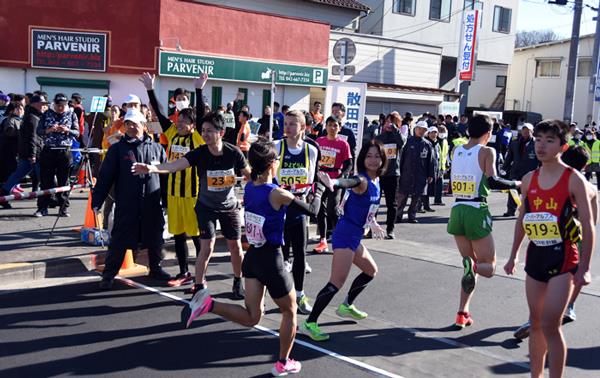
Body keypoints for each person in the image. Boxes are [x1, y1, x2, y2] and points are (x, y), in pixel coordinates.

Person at [182, 141, 323, 376]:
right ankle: (283, 362)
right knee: (290, 312)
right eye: (277, 160)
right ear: (271, 164)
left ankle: (209, 304)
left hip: (253, 259)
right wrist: (320, 189)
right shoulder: (278, 194)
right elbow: (313, 211)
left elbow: (271, 192)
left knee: (252, 317)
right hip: (273, 261)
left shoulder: (249, 187)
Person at [503, 120, 595, 378]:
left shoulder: (573, 179)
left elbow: (588, 226)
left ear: (563, 146)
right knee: (536, 324)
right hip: (536, 256)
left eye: (549, 140)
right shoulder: (529, 178)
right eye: (538, 139)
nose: (541, 145)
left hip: (564, 257)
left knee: (550, 324)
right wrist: (513, 256)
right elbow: (523, 218)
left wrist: (585, 269)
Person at [132, 111, 250, 300]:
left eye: (210, 131)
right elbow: (175, 165)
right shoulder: (199, 153)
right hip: (205, 207)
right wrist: (152, 168)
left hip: (230, 207)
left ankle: (238, 281)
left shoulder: (233, 152)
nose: (205, 134)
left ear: (221, 132)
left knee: (235, 246)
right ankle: (199, 284)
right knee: (206, 247)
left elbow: (250, 175)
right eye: (203, 130)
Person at [299, 140, 387, 341]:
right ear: (362, 159)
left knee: (371, 271)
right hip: (346, 234)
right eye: (369, 156)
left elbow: (367, 209)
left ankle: (346, 305)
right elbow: (351, 182)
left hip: (355, 234)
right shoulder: (363, 180)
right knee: (336, 282)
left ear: (383, 159)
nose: (373, 160)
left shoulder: (376, 181)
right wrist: (335, 182)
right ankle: (309, 323)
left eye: (377, 156)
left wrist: (373, 223)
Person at [511, 145, 598, 340]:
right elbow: (592, 223)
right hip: (577, 239)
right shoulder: (588, 186)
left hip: (551, 242)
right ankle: (569, 306)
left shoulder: (561, 180)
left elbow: (525, 216)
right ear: (584, 167)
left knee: (544, 286)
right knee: (574, 278)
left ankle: (539, 319)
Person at [447, 114, 520, 328]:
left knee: (469, 267)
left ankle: (462, 312)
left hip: (457, 209)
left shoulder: (456, 149)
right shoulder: (487, 151)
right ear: (489, 133)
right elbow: (493, 180)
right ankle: (472, 269)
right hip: (476, 210)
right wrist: (517, 184)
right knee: (488, 267)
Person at [141, 71, 208, 288]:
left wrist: (199, 89)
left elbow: (199, 112)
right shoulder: (172, 135)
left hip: (192, 194)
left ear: (193, 124)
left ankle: (201, 275)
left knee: (197, 237)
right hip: (173, 193)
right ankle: (184, 272)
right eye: (179, 120)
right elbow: (161, 114)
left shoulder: (197, 137)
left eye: (185, 121)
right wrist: (150, 89)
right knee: (178, 234)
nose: (179, 123)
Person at [93, 109, 170, 289]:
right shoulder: (117, 149)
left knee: (155, 237)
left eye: (135, 123)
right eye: (128, 124)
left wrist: (167, 201)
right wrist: (97, 200)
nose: (131, 127)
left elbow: (166, 177)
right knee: (119, 239)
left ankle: (156, 268)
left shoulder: (157, 148)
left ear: (144, 125)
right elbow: (105, 177)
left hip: (152, 202)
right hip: (127, 203)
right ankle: (109, 274)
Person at [273, 110, 321, 315]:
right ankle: (275, 296)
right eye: (286, 123)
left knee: (300, 255)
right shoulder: (276, 147)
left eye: (293, 124)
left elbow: (312, 179)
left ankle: (300, 295)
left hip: (299, 208)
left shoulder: (311, 150)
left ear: (303, 127)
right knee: (276, 255)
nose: (288, 127)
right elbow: (270, 177)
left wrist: (311, 195)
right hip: (279, 208)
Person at [35, 94, 80, 217]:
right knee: (45, 180)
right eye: (58, 105)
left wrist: (67, 130)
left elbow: (77, 133)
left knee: (64, 181)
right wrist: (49, 130)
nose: (60, 108)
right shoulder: (47, 113)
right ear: (54, 104)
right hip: (49, 150)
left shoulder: (72, 114)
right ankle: (42, 207)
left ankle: (63, 208)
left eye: (63, 105)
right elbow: (38, 131)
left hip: (64, 151)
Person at [314, 116, 352, 253]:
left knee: (333, 210)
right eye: (329, 125)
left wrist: (342, 178)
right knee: (319, 209)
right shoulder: (319, 141)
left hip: (335, 179)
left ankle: (338, 239)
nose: (332, 128)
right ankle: (323, 240)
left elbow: (349, 164)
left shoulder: (343, 144)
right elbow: (313, 160)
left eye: (335, 125)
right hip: (320, 177)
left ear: (339, 128)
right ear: (326, 127)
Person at [0, 96, 47, 206]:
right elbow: (32, 138)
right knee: (44, 176)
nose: (44, 106)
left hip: (27, 152)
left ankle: (4, 194)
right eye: (42, 104)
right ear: (34, 104)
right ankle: (49, 198)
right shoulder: (32, 118)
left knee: (18, 174)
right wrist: (33, 154)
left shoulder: (31, 116)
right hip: (32, 153)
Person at [396, 121, 433, 224]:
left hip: (420, 175)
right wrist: (399, 172)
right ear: (415, 129)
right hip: (406, 174)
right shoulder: (407, 142)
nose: (421, 131)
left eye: (424, 130)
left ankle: (412, 216)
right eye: (419, 129)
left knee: (416, 198)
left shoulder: (427, 144)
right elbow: (401, 159)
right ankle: (398, 215)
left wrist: (430, 174)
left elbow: (431, 161)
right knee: (402, 196)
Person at [375, 113, 406, 238]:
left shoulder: (397, 137)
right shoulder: (379, 138)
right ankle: (372, 227)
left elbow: (402, 142)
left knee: (391, 204)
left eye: (392, 122)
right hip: (379, 174)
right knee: (374, 202)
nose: (389, 124)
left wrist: (395, 129)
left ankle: (390, 229)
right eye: (387, 122)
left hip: (393, 174)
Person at [502, 123, 538, 217]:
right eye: (524, 130)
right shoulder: (514, 142)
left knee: (530, 194)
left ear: (532, 131)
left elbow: (541, 159)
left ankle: (529, 212)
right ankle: (510, 211)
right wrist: (504, 168)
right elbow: (509, 157)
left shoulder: (536, 144)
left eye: (528, 130)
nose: (525, 132)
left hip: (530, 172)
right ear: (521, 131)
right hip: (515, 171)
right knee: (513, 191)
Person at [0, 102, 25, 190]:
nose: (21, 111)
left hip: (17, 147)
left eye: (22, 109)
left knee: (15, 166)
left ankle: (15, 185)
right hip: (9, 147)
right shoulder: (10, 119)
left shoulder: (20, 120)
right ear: (12, 111)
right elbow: (8, 132)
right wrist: (20, 132)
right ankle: (9, 186)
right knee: (10, 167)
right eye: (19, 109)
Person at [421, 126, 441, 212]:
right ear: (428, 133)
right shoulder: (425, 143)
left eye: (435, 132)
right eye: (432, 132)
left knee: (428, 189)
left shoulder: (437, 143)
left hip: (434, 168)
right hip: (425, 169)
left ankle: (426, 206)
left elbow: (438, 157)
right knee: (423, 189)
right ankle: (419, 206)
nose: (434, 134)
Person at [433, 125, 450, 206]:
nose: (443, 134)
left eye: (444, 132)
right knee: (429, 185)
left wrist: (446, 164)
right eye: (441, 132)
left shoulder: (445, 141)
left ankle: (438, 200)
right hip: (434, 166)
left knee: (440, 184)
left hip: (441, 166)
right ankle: (421, 203)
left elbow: (445, 154)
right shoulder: (435, 141)